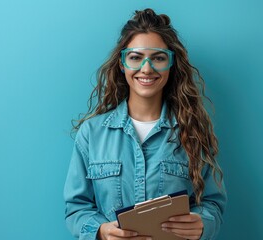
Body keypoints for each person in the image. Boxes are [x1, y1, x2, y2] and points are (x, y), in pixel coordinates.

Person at [64, 8, 227, 240]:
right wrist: (100, 231)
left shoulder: (193, 132)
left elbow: (213, 204)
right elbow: (76, 208)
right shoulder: (92, 133)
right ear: (122, 64)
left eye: (159, 58)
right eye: (135, 57)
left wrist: (202, 224)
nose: (147, 68)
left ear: (171, 64)